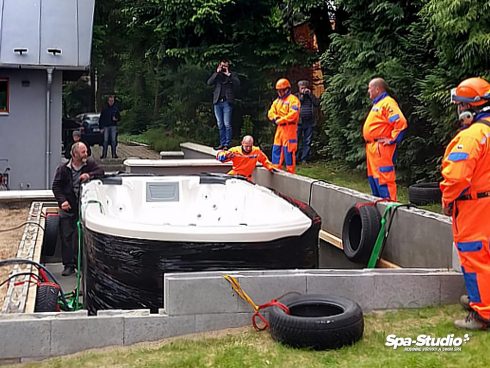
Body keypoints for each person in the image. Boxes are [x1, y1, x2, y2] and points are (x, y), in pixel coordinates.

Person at [440, 77, 490, 330]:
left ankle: (483, 313)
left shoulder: (472, 136)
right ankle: (481, 298)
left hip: (474, 205)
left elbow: (457, 176)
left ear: (468, 107)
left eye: (460, 104)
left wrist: (448, 199)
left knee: (474, 256)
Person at [52, 142, 104, 276]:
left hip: (84, 208)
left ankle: (81, 266)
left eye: (86, 151)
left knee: (82, 238)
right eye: (83, 152)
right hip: (68, 208)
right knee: (67, 237)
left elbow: (101, 172)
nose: (86, 154)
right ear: (74, 154)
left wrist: (89, 175)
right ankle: (68, 265)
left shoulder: (90, 164)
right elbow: (56, 186)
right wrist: (62, 201)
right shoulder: (63, 169)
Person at [362, 78, 407, 201]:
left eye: (370, 88)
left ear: (377, 89)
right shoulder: (378, 104)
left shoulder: (388, 103)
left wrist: (392, 139)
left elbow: (400, 122)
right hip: (372, 148)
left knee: (384, 179)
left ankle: (390, 208)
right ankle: (378, 209)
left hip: (381, 148)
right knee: (374, 180)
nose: (368, 91)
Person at [267, 78, 301, 173]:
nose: (280, 93)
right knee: (276, 149)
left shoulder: (293, 100)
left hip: (290, 129)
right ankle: (275, 171)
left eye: (281, 90)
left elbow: (293, 114)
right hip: (280, 129)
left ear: (287, 89)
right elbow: (270, 112)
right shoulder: (277, 101)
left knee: (289, 152)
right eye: (278, 91)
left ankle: (291, 173)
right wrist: (275, 118)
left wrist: (281, 120)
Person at [207, 59, 240, 150]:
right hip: (217, 102)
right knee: (220, 124)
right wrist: (217, 73)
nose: (223, 68)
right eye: (222, 66)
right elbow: (209, 82)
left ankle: (227, 144)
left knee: (227, 123)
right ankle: (221, 143)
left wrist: (228, 75)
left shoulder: (232, 75)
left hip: (227, 102)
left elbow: (237, 84)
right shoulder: (217, 76)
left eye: (225, 66)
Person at [295, 80, 319, 163]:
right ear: (299, 88)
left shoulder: (310, 96)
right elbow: (297, 104)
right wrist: (302, 95)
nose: (303, 89)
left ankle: (304, 158)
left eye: (305, 88)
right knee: (297, 140)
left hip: (309, 121)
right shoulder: (296, 96)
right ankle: (296, 158)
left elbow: (316, 103)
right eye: (302, 88)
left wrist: (310, 94)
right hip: (299, 121)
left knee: (307, 141)